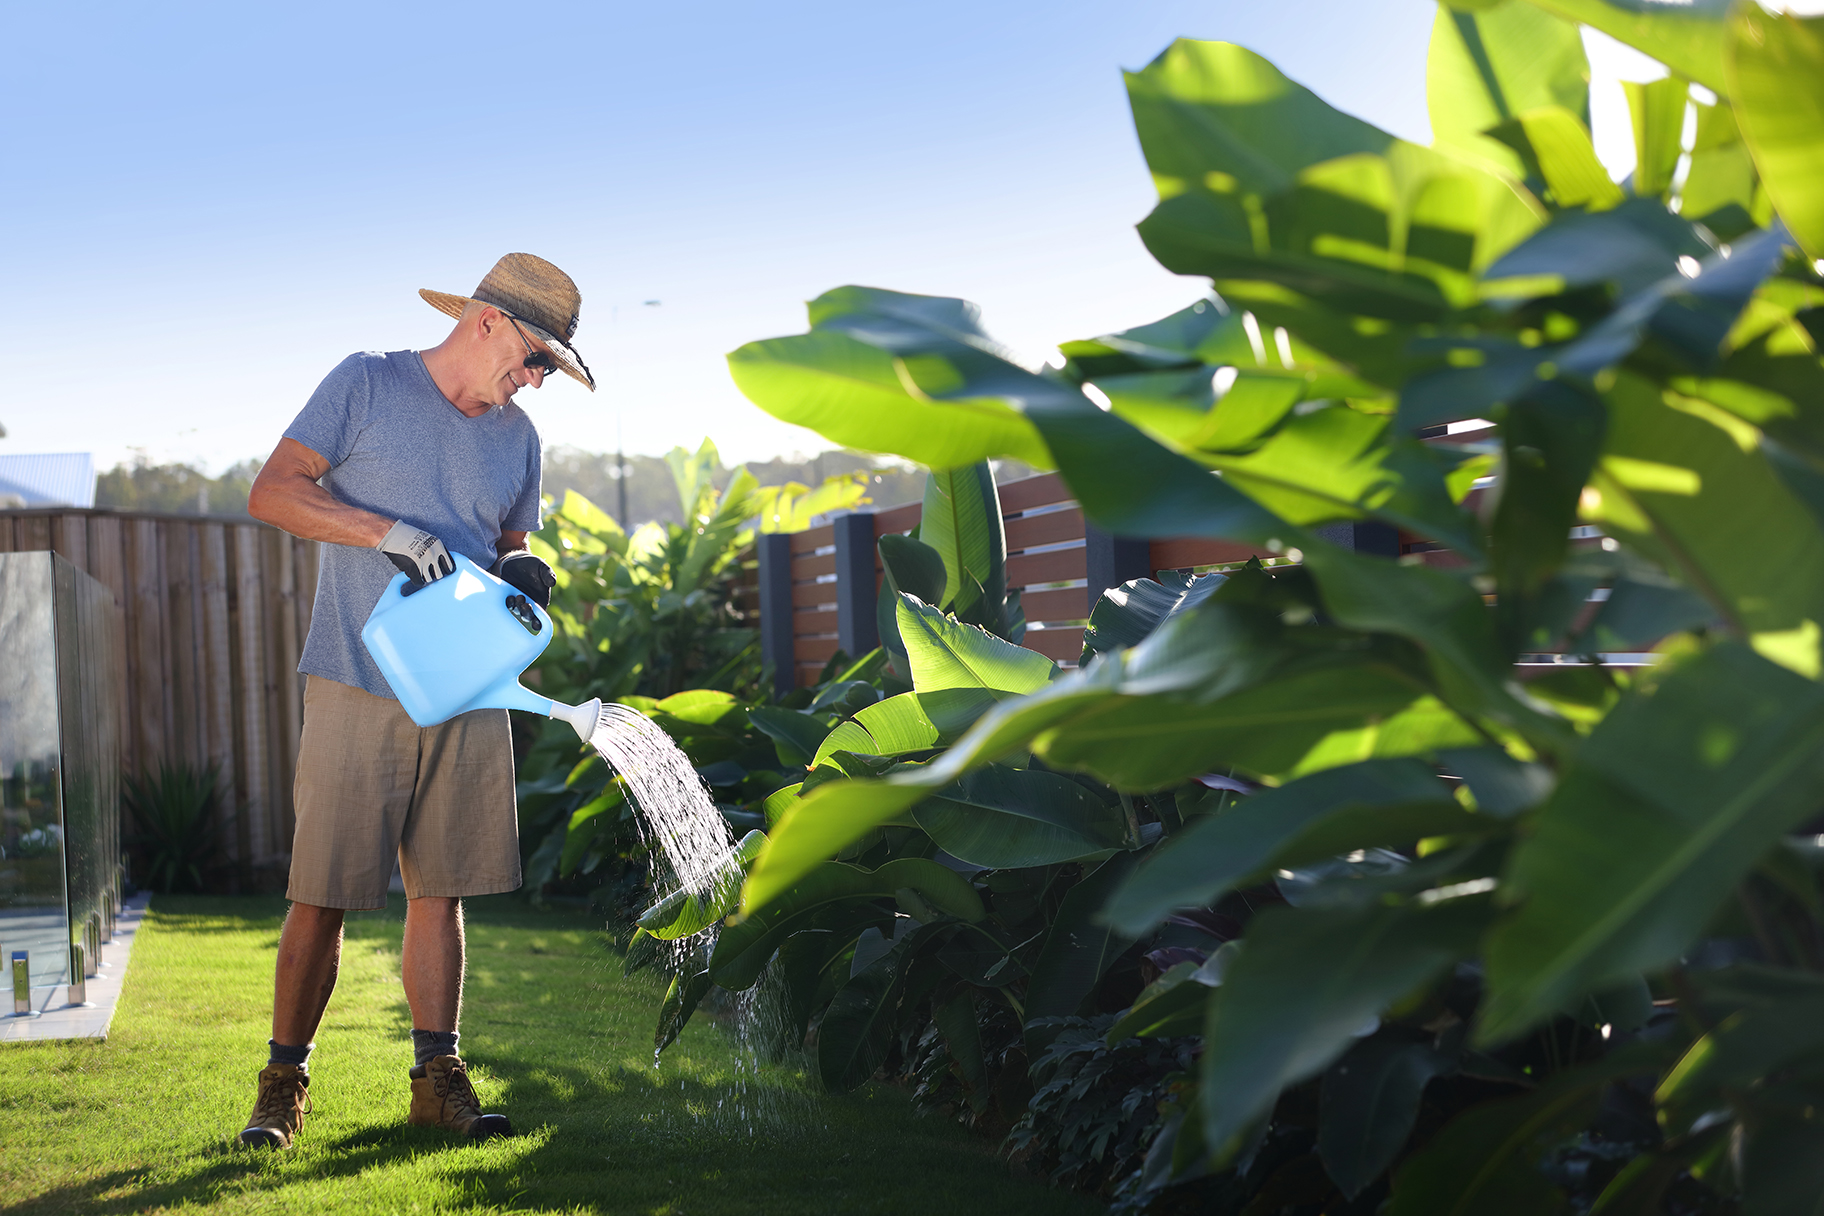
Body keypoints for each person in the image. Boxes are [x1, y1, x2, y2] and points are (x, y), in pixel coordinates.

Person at [237, 253, 591, 1149]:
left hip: (467, 684)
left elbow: (506, 540)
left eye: (550, 367)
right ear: (485, 322)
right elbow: (273, 492)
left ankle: (439, 1079)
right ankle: (283, 1082)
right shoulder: (366, 384)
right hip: (359, 674)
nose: (538, 379)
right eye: (537, 357)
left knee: (445, 887)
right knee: (322, 891)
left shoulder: (517, 437)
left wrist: (523, 568)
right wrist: (384, 531)